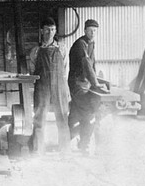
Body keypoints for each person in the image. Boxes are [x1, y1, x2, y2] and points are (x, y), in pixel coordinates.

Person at [28, 17, 70, 156]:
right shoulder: (36, 51)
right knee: (39, 118)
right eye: (47, 29)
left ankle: (65, 151)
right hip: (42, 87)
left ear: (55, 30)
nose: (50, 32)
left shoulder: (62, 48)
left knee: (63, 118)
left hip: (60, 86)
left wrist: (67, 89)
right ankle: (38, 151)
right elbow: (32, 70)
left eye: (52, 29)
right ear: (41, 31)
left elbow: (65, 70)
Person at [67, 19, 105, 153]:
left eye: (95, 31)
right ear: (84, 30)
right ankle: (84, 145)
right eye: (90, 30)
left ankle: (67, 143)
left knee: (76, 112)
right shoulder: (80, 44)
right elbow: (86, 64)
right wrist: (95, 83)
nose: (93, 33)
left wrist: (96, 82)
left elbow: (93, 65)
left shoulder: (91, 43)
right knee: (89, 112)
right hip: (77, 84)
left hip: (85, 84)